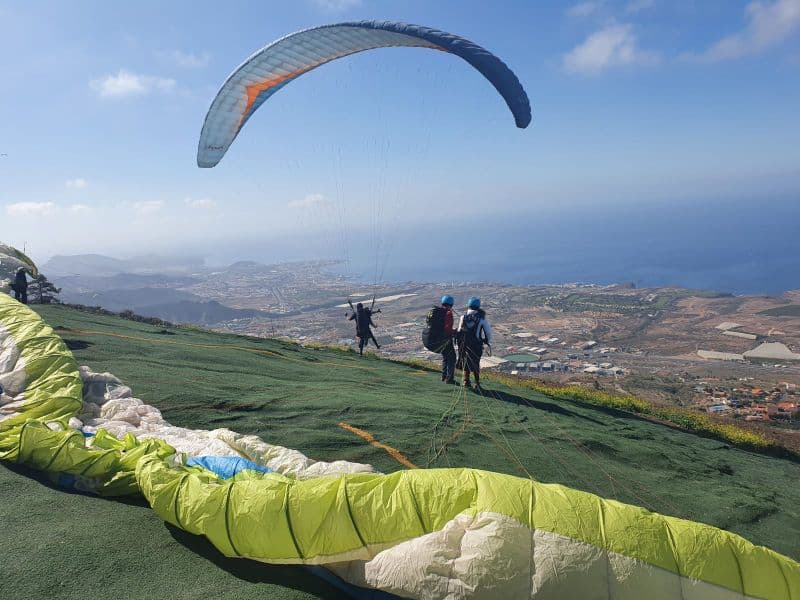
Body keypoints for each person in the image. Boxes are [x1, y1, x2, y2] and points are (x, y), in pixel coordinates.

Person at [457, 297, 492, 391]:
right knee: (475, 362)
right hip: (476, 345)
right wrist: (486, 341)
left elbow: (459, 331)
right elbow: (488, 333)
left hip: (464, 345)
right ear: (478, 306)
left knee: (465, 361)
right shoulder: (481, 319)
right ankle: (477, 383)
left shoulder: (462, 317)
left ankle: (466, 381)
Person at [439, 295, 457, 384]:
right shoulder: (448, 313)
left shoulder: (438, 312)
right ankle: (449, 379)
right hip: (446, 339)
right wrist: (455, 332)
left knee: (445, 357)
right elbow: (447, 329)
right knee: (452, 358)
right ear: (451, 304)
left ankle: (444, 376)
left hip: (438, 339)